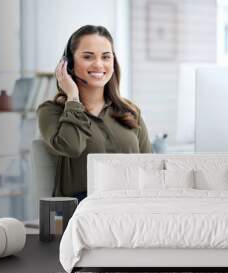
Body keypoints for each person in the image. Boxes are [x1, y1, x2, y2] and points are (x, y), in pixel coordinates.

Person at [37, 25, 152, 201]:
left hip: (131, 207)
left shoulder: (130, 111)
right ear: (69, 65)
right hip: (83, 211)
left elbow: (149, 168)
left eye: (106, 57)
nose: (98, 64)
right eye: (88, 57)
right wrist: (73, 97)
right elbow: (71, 146)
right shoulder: (51, 111)